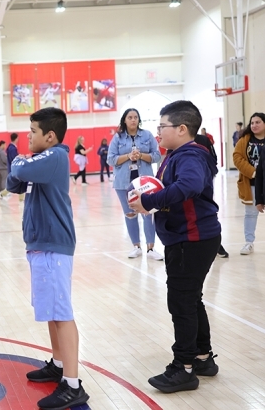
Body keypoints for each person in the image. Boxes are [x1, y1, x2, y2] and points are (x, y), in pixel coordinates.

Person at [129, 100, 221, 393]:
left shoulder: (190, 155)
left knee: (181, 302)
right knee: (191, 299)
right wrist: (144, 204)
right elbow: (170, 191)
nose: (158, 132)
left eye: (162, 127)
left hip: (192, 239)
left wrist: (151, 202)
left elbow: (190, 186)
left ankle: (184, 368)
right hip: (189, 237)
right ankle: (203, 358)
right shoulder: (177, 154)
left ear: (182, 129)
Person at [7, 107, 89, 409]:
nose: (28, 136)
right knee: (52, 311)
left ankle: (72, 383)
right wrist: (20, 165)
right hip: (41, 245)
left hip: (53, 246)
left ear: (49, 136)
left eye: (32, 132)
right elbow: (13, 183)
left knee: (62, 313)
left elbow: (20, 170)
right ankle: (58, 364)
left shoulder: (55, 156)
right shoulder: (42, 160)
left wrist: (18, 160)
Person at [107, 108, 163, 260]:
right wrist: (128, 156)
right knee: (130, 214)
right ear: (124, 120)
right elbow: (110, 159)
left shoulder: (147, 135)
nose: (133, 120)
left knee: (148, 213)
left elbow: (157, 156)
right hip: (123, 184)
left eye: (136, 117)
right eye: (130, 117)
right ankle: (136, 247)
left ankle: (151, 248)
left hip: (145, 183)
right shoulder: (117, 138)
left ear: (139, 120)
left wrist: (141, 156)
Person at [233, 112, 265, 255]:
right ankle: (249, 243)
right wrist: (255, 173)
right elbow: (237, 157)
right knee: (251, 214)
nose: (254, 125)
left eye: (257, 122)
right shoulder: (245, 139)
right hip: (251, 182)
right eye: (252, 123)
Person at [0, 133, 23, 202]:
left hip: (12, 168)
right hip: (14, 169)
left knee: (16, 184)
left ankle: (1, 194)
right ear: (16, 138)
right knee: (20, 182)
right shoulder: (12, 148)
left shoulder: (10, 147)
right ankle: (1, 194)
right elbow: (14, 159)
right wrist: (20, 158)